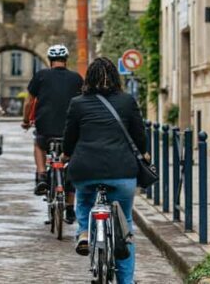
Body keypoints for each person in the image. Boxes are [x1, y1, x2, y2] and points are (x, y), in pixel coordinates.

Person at [62, 57, 147, 284]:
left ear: (88, 79)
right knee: (125, 224)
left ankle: (83, 232)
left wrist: (66, 153)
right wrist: (145, 152)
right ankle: (126, 282)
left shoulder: (78, 103)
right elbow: (140, 135)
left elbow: (69, 138)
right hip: (122, 171)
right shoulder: (128, 101)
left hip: (86, 170)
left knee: (84, 199)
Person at [22, 44, 83, 222]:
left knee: (39, 144)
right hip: (70, 129)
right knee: (71, 160)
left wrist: (26, 121)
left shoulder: (41, 76)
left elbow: (29, 102)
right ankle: (70, 207)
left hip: (45, 127)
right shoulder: (76, 78)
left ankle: (41, 175)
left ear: (49, 61)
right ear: (66, 60)